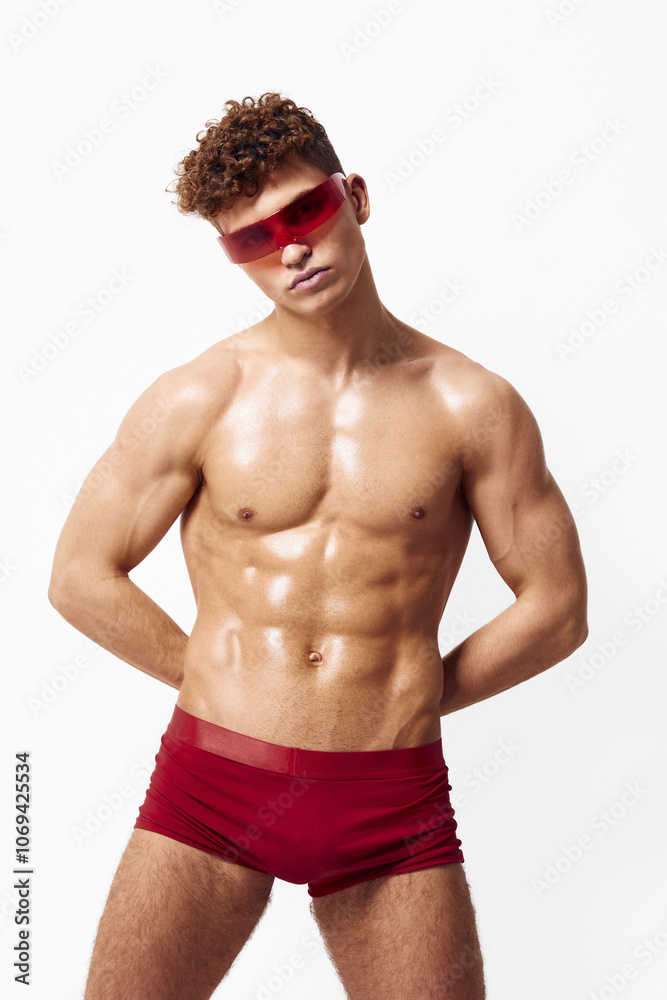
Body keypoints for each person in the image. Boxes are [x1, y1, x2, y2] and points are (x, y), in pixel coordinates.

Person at [48, 91, 588, 999]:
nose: (289, 245)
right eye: (251, 238)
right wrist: (221, 683)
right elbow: (78, 576)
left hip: (392, 807)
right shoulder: (200, 395)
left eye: (304, 210)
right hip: (208, 794)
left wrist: (412, 689)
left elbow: (557, 608)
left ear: (356, 198)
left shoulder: (472, 404)